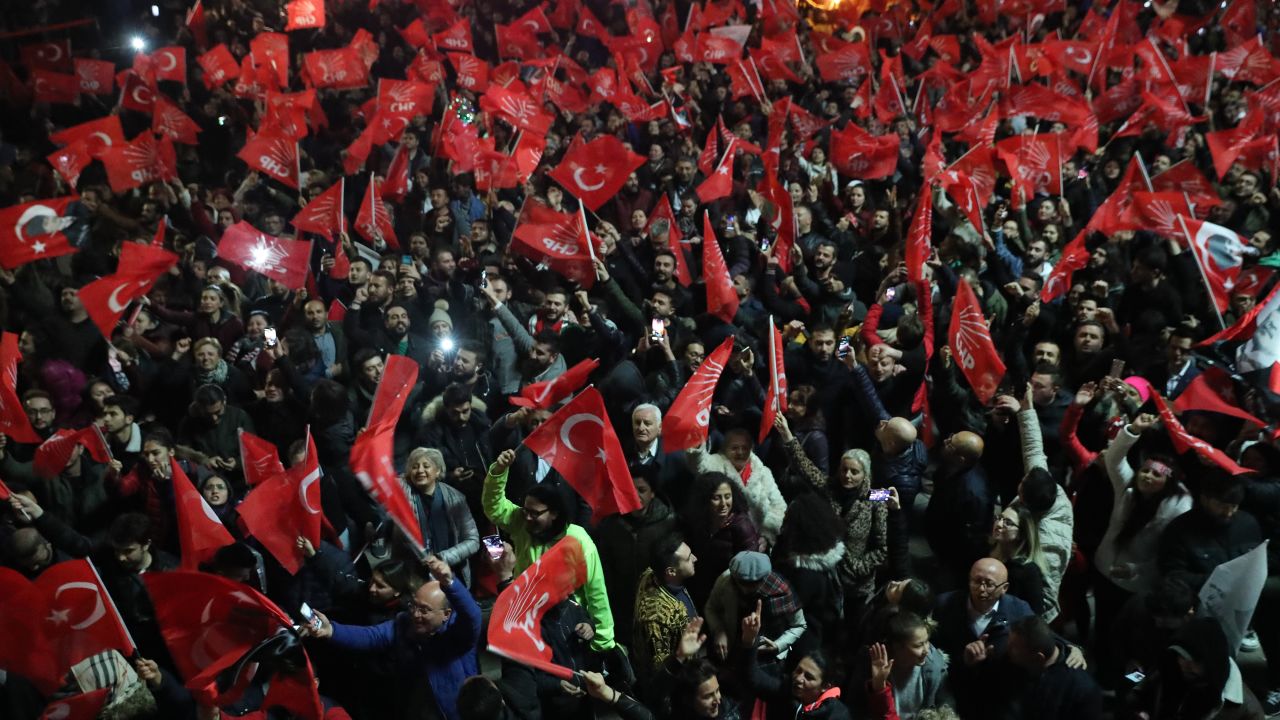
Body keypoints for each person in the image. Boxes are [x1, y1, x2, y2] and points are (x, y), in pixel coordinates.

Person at [304, 556, 481, 720]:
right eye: (414, 606)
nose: (416, 614)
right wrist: (332, 631)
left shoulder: (458, 635)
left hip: (452, 712)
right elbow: (371, 636)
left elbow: (473, 616)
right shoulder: (403, 624)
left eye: (424, 610)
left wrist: (451, 583)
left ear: (446, 614)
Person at [482, 449, 616, 650]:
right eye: (525, 510)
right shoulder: (522, 523)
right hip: (525, 618)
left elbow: (596, 594)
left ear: (554, 513)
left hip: (564, 624)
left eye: (535, 513)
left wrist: (602, 644)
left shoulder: (578, 541)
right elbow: (493, 507)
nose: (527, 517)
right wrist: (499, 471)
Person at [681, 472, 762, 609]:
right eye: (716, 498)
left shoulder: (742, 527)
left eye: (727, 497)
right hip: (700, 592)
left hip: (728, 598)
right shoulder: (699, 523)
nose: (724, 503)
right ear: (705, 499)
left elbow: (749, 570)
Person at [1004, 615, 1103, 720]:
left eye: (1013, 648)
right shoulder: (1018, 664)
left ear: (1039, 657)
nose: (1007, 649)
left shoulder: (1081, 690)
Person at [864, 612, 953, 719]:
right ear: (898, 647)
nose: (926, 650)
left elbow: (946, 707)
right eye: (918, 645)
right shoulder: (876, 666)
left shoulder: (935, 668)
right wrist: (877, 685)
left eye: (927, 642)